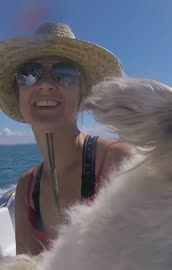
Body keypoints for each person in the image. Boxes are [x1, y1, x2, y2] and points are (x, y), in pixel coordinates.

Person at [0, 22, 132, 255]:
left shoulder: (120, 162)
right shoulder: (26, 188)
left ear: (82, 93)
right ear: (18, 93)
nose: (47, 85)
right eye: (29, 74)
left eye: (65, 73)